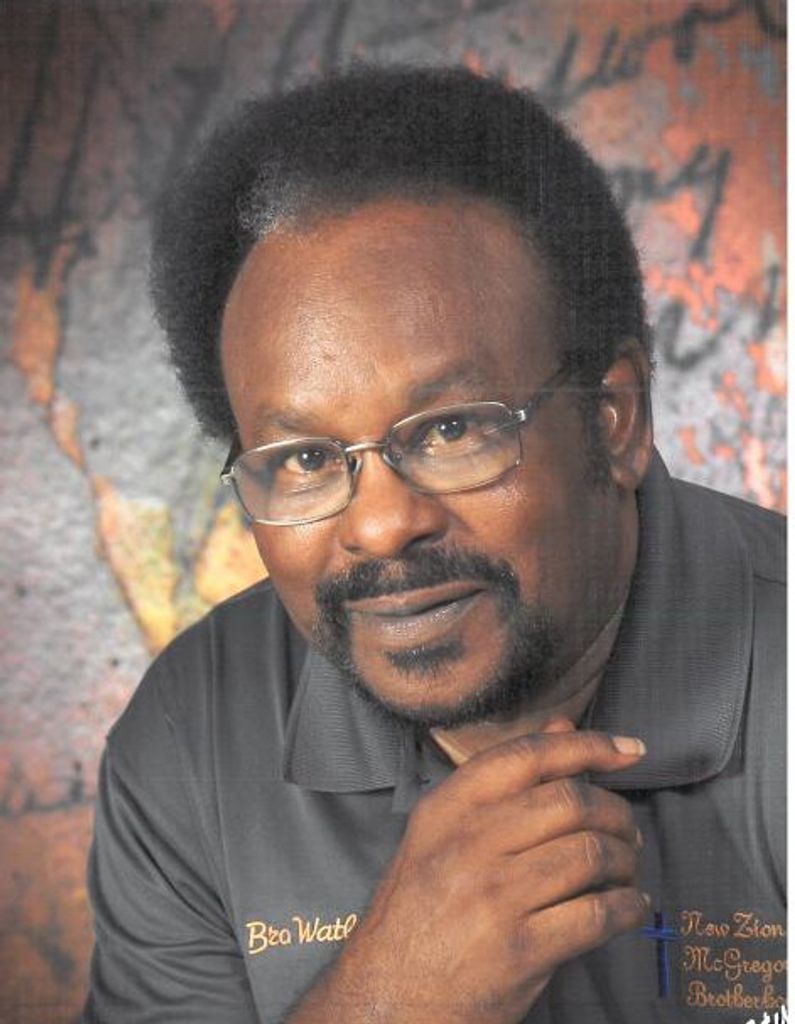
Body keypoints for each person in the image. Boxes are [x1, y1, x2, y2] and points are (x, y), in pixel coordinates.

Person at [82, 65, 785, 1023]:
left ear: (613, 420)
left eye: (452, 430)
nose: (379, 524)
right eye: (304, 459)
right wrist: (391, 999)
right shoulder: (192, 734)